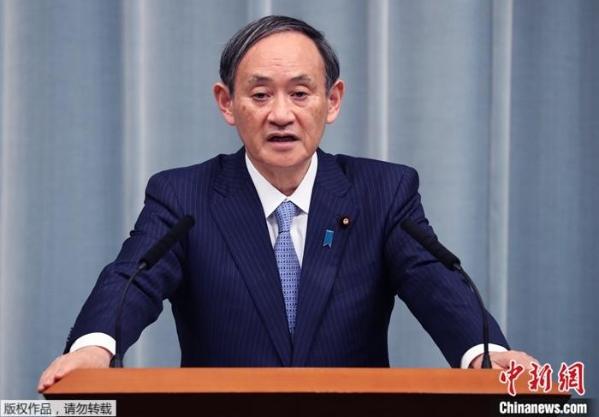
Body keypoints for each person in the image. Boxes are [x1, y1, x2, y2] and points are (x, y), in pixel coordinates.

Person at [39, 15, 536, 392]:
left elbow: (433, 280)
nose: (281, 114)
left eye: (300, 93)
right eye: (260, 95)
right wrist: (95, 348)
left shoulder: (382, 193)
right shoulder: (183, 197)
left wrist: (484, 353)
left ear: (332, 100)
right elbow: (133, 278)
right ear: (227, 103)